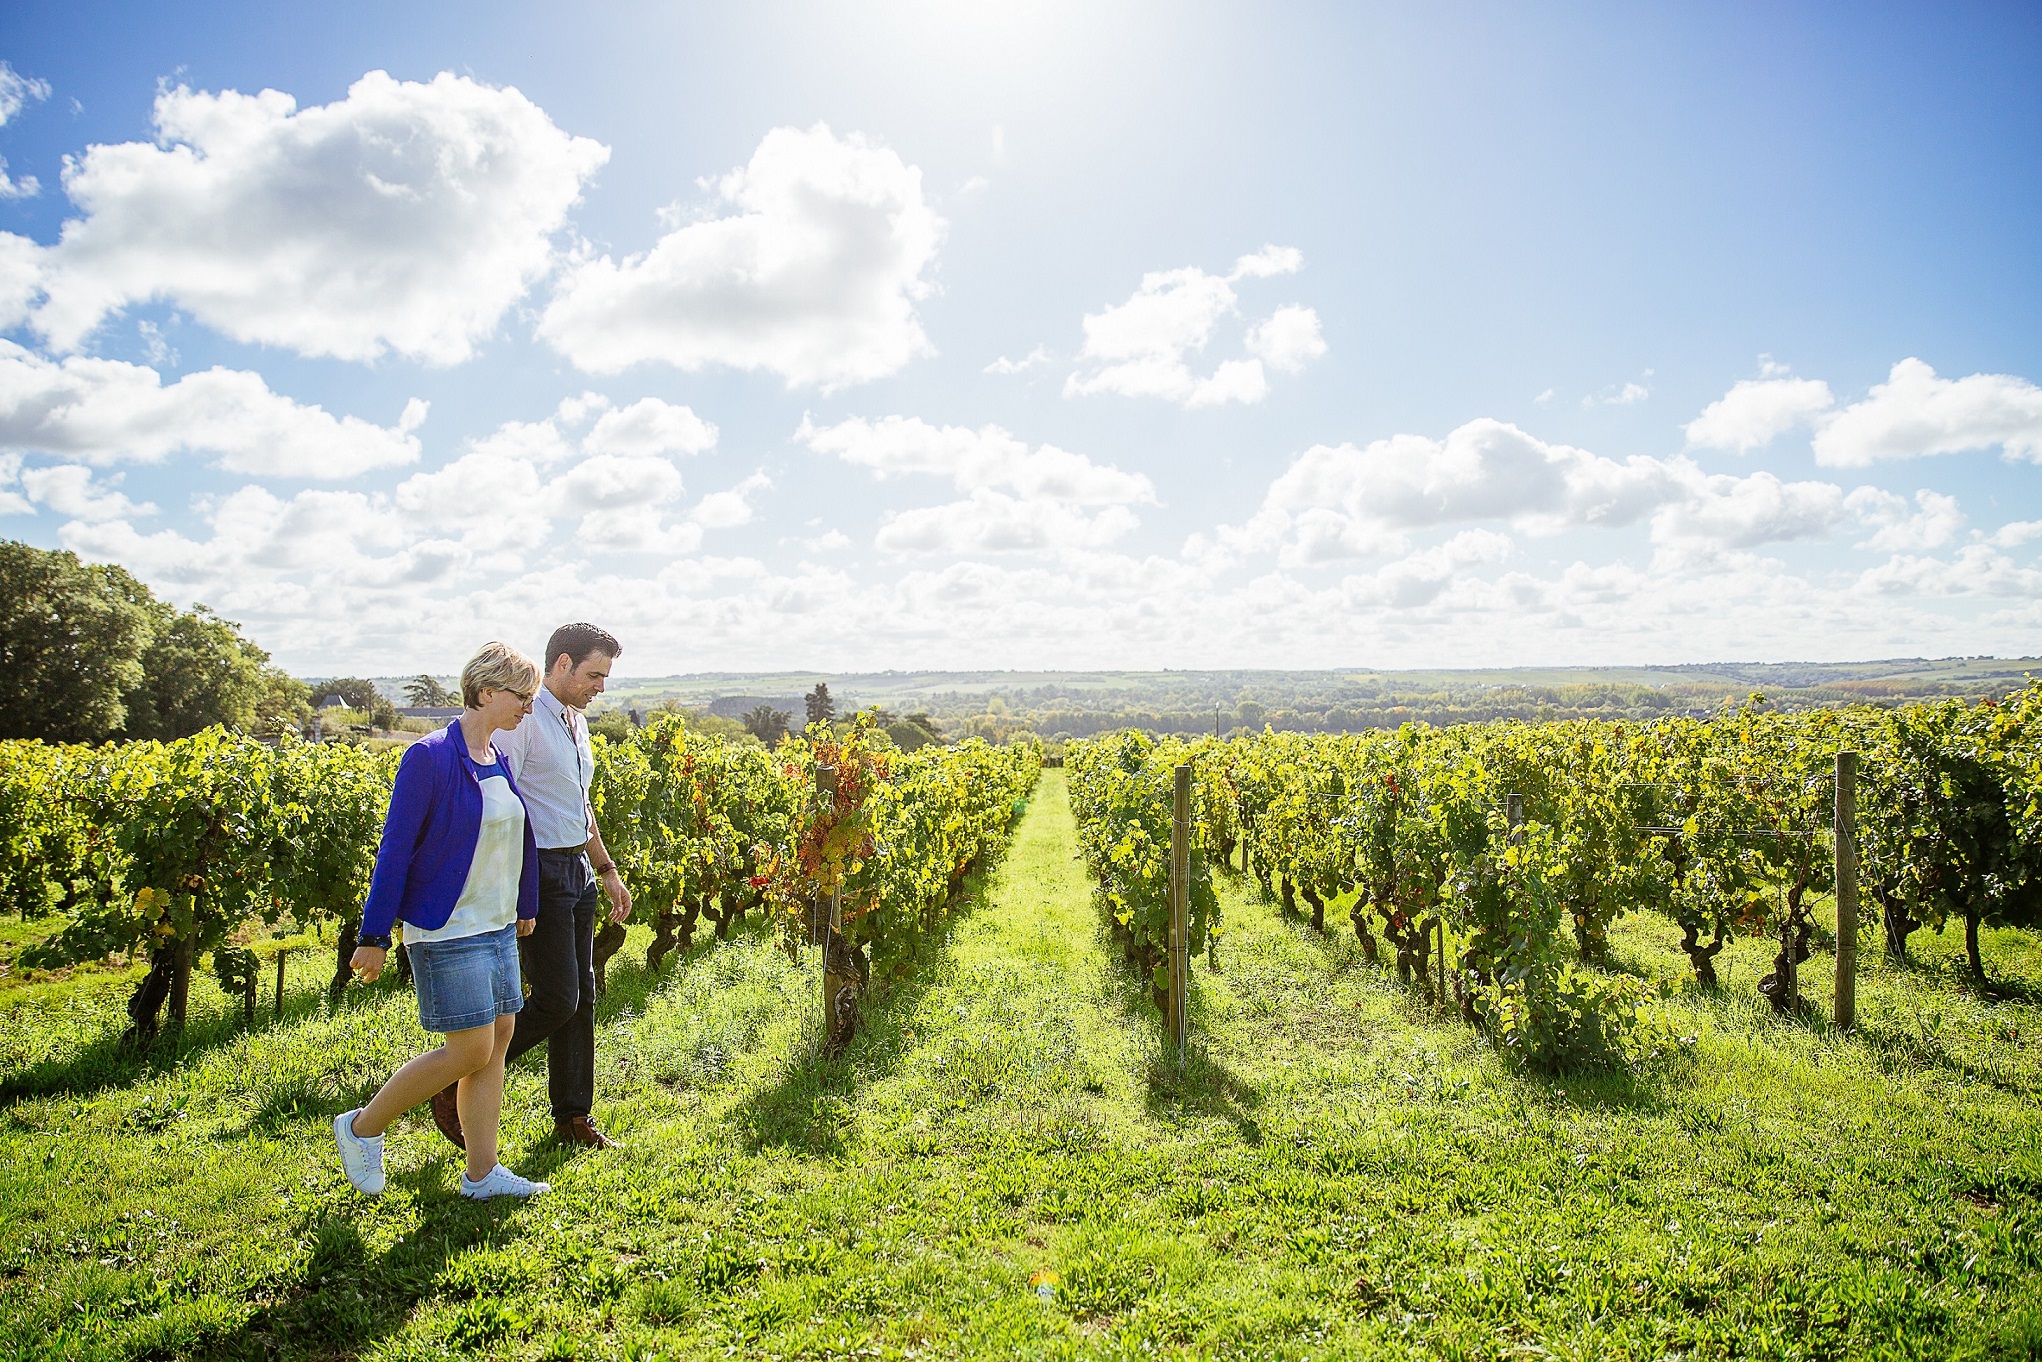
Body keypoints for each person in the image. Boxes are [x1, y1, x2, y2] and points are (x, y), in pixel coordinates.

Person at [332, 642, 551, 1201]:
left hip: (496, 924)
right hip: (446, 927)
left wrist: (523, 905)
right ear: (485, 692)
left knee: (498, 1040)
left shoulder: (495, 757)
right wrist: (375, 936)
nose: (529, 705)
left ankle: (481, 1174)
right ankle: (361, 1128)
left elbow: (514, 837)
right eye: (521, 695)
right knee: (470, 1050)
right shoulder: (427, 758)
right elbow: (395, 850)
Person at [428, 622, 635, 1152]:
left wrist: (606, 869)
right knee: (557, 998)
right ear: (560, 665)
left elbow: (578, 804)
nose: (600, 687)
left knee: (583, 997)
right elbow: (505, 803)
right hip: (538, 872)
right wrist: (515, 888)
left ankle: (573, 1116)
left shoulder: (574, 723)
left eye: (606, 677)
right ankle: (455, 1081)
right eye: (594, 674)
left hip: (577, 873)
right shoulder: (523, 722)